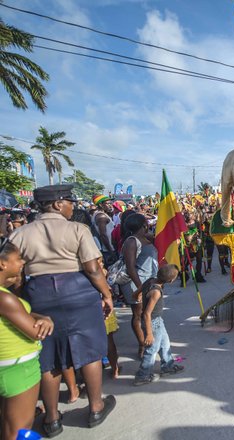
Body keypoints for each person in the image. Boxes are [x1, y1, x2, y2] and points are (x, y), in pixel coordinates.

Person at [10, 184, 116, 436]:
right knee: (90, 350)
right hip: (77, 291)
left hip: (39, 295)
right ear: (58, 204)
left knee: (49, 358)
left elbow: (14, 275)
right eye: (70, 201)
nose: (72, 206)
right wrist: (107, 294)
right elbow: (92, 268)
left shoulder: (19, 235)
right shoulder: (78, 229)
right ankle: (96, 407)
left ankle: (52, 419)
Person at [0, 240, 54, 440]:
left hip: (9, 367)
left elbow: (17, 314)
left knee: (8, 425)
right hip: (19, 369)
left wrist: (40, 316)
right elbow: (36, 333)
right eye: (18, 259)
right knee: (19, 430)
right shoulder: (5, 298)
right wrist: (45, 320)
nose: (22, 262)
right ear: (2, 263)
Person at [134, 264, 185, 386]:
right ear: (171, 280)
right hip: (152, 323)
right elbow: (146, 314)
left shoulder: (150, 280)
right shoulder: (156, 292)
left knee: (165, 344)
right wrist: (149, 334)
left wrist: (137, 295)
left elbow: (137, 291)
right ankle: (143, 375)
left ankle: (168, 366)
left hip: (158, 321)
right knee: (151, 349)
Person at [120, 213, 158, 359]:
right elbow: (130, 268)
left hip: (149, 282)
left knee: (147, 313)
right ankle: (142, 344)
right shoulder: (131, 241)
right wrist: (140, 288)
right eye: (146, 223)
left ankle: (149, 339)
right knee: (138, 315)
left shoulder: (146, 238)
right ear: (143, 225)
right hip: (137, 284)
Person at [92, 194, 116, 266]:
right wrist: (111, 251)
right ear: (100, 204)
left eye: (110, 203)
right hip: (107, 250)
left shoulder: (101, 214)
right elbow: (103, 235)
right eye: (107, 203)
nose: (110, 205)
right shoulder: (101, 216)